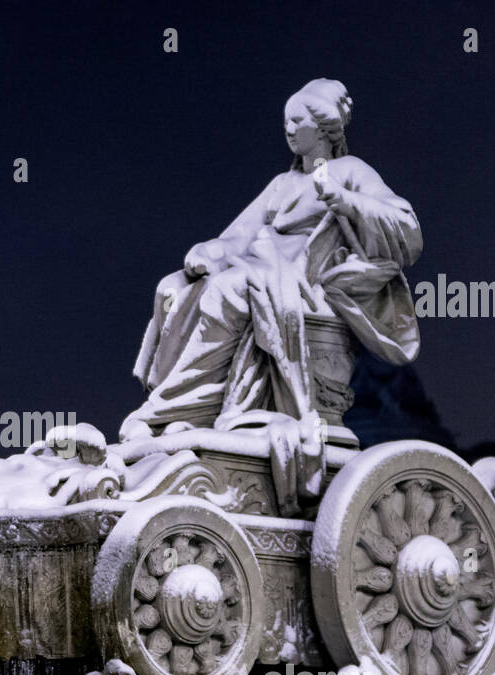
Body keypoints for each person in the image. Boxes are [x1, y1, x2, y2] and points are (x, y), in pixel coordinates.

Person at [122, 78, 423, 440]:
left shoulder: (351, 171)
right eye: (286, 121)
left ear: (324, 126)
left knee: (229, 289)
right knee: (173, 289)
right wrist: (210, 251)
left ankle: (168, 409)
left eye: (298, 121)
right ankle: (188, 412)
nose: (289, 129)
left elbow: (407, 228)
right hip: (263, 268)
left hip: (306, 283)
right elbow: (239, 235)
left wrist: (344, 200)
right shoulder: (282, 183)